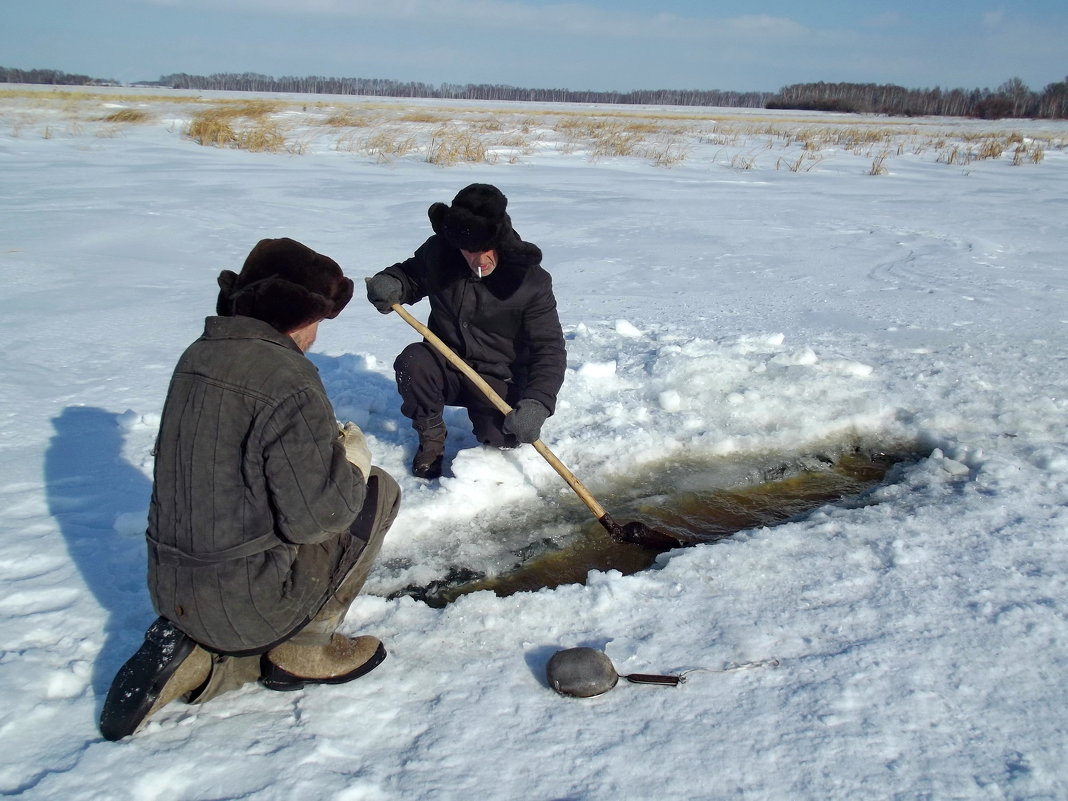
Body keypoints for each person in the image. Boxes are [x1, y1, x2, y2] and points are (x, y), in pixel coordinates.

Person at [100, 238, 401, 741]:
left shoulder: (197, 357)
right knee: (375, 493)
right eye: (319, 320)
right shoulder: (289, 378)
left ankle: (199, 659)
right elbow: (319, 519)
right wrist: (350, 463)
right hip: (248, 603)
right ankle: (302, 648)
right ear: (298, 313)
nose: (316, 336)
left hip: (171, 589)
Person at [365, 183, 566, 479]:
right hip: (445, 364)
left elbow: (549, 349)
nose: (479, 260)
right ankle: (432, 439)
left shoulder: (529, 281)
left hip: (500, 380)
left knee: (503, 437)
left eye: (486, 250)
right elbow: (411, 275)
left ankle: (495, 427)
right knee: (413, 362)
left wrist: (538, 403)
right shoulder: (440, 253)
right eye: (470, 251)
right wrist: (392, 283)